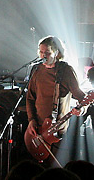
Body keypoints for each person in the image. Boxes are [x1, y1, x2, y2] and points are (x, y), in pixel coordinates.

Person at [24, 35, 86, 163]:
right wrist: (31, 120)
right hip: (37, 128)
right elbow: (30, 98)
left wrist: (82, 109)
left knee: (56, 171)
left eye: (47, 52)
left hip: (57, 129)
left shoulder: (65, 71)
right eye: (41, 52)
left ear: (57, 53)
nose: (43, 56)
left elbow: (82, 97)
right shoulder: (36, 70)